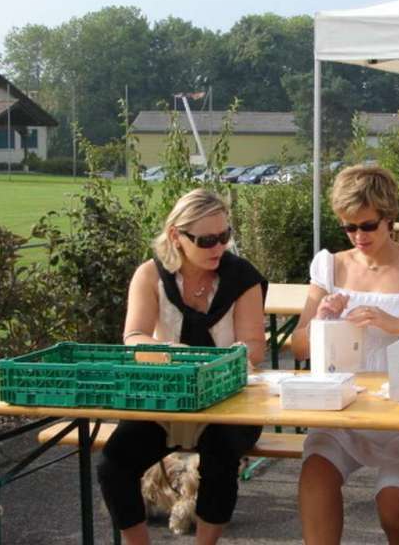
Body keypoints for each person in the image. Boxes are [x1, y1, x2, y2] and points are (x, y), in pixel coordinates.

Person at [291, 165, 399, 545]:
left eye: (367, 226)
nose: (358, 236)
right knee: (315, 478)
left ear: (389, 217)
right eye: (349, 227)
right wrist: (321, 321)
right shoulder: (330, 266)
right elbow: (298, 346)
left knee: (395, 504)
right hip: (344, 406)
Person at [96, 188, 268, 545]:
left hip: (228, 400)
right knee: (113, 463)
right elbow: (135, 337)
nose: (219, 248)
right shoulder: (150, 275)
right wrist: (167, 353)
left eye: (225, 236)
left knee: (219, 460)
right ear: (176, 236)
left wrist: (224, 362)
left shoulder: (243, 277)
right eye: (206, 240)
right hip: (167, 399)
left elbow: (254, 349)